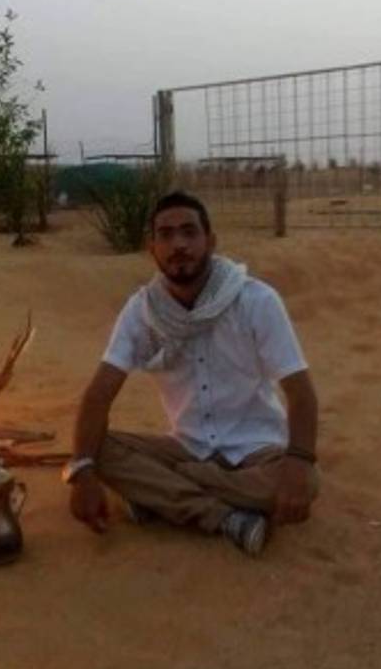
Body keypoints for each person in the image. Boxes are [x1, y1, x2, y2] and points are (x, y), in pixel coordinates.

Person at [64, 191, 320, 556]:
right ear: (152, 248)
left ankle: (158, 494)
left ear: (210, 241)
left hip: (257, 450)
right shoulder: (142, 312)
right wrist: (83, 470)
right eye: (166, 235)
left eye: (189, 232)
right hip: (187, 446)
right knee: (95, 450)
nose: (178, 244)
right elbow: (98, 394)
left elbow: (300, 392)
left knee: (306, 480)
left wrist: (298, 461)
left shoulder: (256, 300)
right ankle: (224, 517)